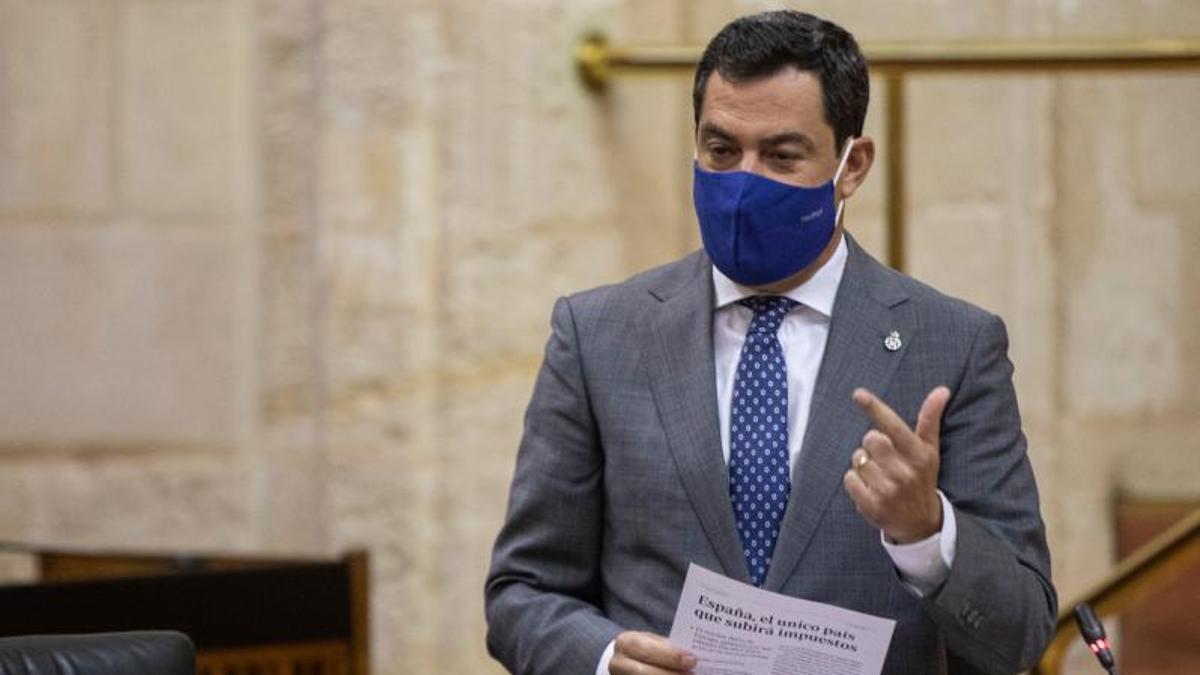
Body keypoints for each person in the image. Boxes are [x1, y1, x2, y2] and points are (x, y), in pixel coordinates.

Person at [485, 10, 1055, 675]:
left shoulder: (953, 345)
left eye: (782, 156)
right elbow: (521, 592)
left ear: (852, 165)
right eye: (721, 151)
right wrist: (606, 656)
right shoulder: (598, 336)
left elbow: (1020, 635)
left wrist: (927, 532)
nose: (743, 183)